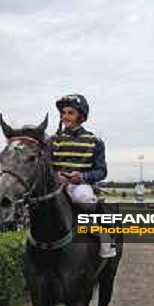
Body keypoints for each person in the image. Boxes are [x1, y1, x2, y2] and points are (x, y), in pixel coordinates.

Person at [49, 93, 115, 258]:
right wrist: (56, 175)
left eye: (70, 113)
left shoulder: (94, 141)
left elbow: (102, 171)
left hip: (80, 186)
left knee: (84, 198)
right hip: (56, 186)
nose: (65, 117)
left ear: (81, 116)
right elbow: (47, 166)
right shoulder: (53, 140)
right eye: (63, 113)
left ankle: (104, 237)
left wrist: (83, 177)